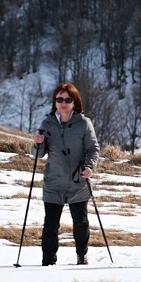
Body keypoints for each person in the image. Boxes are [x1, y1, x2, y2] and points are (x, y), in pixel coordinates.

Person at [33, 82, 100, 266]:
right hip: (54, 181)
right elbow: (38, 155)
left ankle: (82, 254)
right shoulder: (47, 123)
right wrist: (38, 143)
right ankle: (48, 261)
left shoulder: (84, 124)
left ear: (74, 102)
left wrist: (89, 167)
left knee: (80, 222)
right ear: (55, 102)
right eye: (60, 99)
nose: (63, 103)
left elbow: (93, 149)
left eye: (68, 99)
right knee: (50, 224)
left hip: (78, 181)